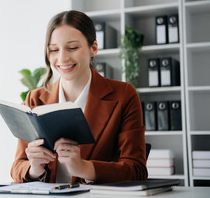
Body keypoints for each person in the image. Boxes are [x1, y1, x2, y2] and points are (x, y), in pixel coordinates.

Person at [11, 10, 147, 184]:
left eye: (73, 48)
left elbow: (137, 170)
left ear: (93, 48)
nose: (62, 58)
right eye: (54, 50)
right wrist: (34, 169)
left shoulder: (124, 95)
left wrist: (84, 168)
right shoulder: (35, 98)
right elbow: (17, 166)